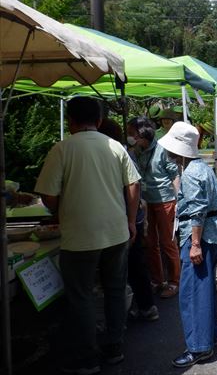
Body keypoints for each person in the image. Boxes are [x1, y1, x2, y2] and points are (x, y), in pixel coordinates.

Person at [35, 97, 140, 373]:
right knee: (115, 290)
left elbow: (48, 195)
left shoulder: (62, 148)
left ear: (70, 120)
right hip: (116, 232)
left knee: (80, 296)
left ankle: (88, 357)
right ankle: (115, 347)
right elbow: (133, 185)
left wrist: (60, 209)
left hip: (79, 237)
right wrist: (131, 221)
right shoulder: (116, 147)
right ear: (99, 120)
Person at [157, 122, 217, 369]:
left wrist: (195, 243)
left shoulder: (191, 172)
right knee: (205, 288)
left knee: (193, 293)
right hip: (212, 233)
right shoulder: (200, 168)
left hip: (200, 236)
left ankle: (199, 346)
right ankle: (212, 335)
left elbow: (197, 210)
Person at [100, 118, 158, 323]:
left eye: (131, 131)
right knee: (135, 264)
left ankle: (140, 307)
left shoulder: (120, 154)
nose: (130, 135)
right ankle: (145, 306)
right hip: (131, 217)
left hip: (127, 219)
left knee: (131, 265)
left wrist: (132, 220)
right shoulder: (124, 153)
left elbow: (134, 185)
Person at [127, 117, 181, 299]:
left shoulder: (162, 149)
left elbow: (175, 175)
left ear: (142, 133)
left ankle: (175, 281)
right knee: (150, 243)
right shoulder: (137, 151)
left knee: (168, 242)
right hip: (147, 202)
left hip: (166, 201)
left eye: (132, 134)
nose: (130, 138)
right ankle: (158, 280)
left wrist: (178, 200)